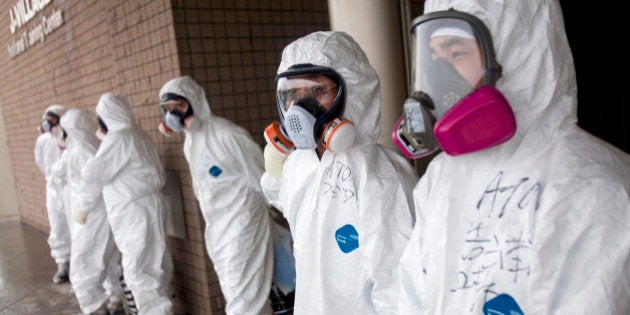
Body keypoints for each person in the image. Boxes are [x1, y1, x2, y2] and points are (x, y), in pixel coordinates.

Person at [396, 1, 630, 314]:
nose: (440, 77)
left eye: (457, 54)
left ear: (518, 54)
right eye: (433, 58)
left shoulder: (596, 190)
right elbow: (408, 297)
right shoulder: (440, 179)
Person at [260, 31, 418, 314]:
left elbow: (399, 286)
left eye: (318, 90)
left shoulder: (379, 173)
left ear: (352, 91)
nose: (301, 105)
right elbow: (285, 198)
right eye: (292, 93)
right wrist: (274, 167)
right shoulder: (300, 163)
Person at [157, 75, 292, 315]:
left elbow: (261, 177)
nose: (172, 114)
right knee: (237, 294)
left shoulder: (226, 134)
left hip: (244, 224)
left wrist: (281, 211)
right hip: (218, 230)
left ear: (193, 102)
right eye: (167, 109)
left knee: (245, 302)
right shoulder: (190, 142)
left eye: (177, 106)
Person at [74, 93, 174, 315]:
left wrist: (84, 207)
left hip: (135, 212)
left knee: (140, 271)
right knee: (154, 265)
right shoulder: (136, 135)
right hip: (146, 208)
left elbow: (95, 175)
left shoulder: (119, 138)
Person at [52, 108, 125, 315]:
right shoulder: (85, 148)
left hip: (93, 217)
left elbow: (92, 185)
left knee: (83, 266)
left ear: (72, 130)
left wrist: (84, 209)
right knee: (109, 262)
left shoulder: (83, 151)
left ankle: (96, 308)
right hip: (96, 215)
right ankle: (115, 302)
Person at [34, 104, 72, 284]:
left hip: (70, 187)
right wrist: (53, 177)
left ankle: (78, 263)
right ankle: (62, 264)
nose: (48, 125)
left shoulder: (69, 138)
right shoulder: (42, 141)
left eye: (52, 120)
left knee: (75, 224)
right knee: (57, 226)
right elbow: (41, 162)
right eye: (46, 121)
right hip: (53, 188)